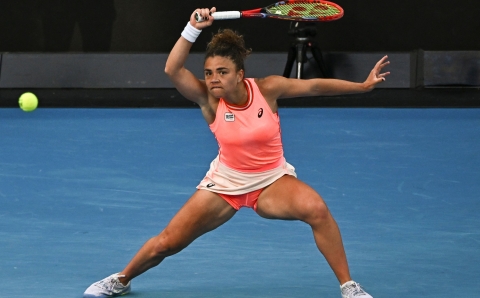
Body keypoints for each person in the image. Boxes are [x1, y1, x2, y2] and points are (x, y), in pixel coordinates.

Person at [83, 7, 390, 298]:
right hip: (225, 184)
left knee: (317, 210)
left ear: (240, 74)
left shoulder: (267, 89)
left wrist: (361, 86)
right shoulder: (208, 99)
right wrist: (192, 29)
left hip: (272, 181)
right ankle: (121, 280)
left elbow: (314, 87)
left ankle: (348, 285)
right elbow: (172, 68)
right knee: (167, 243)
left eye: (222, 71)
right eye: (209, 71)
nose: (213, 78)